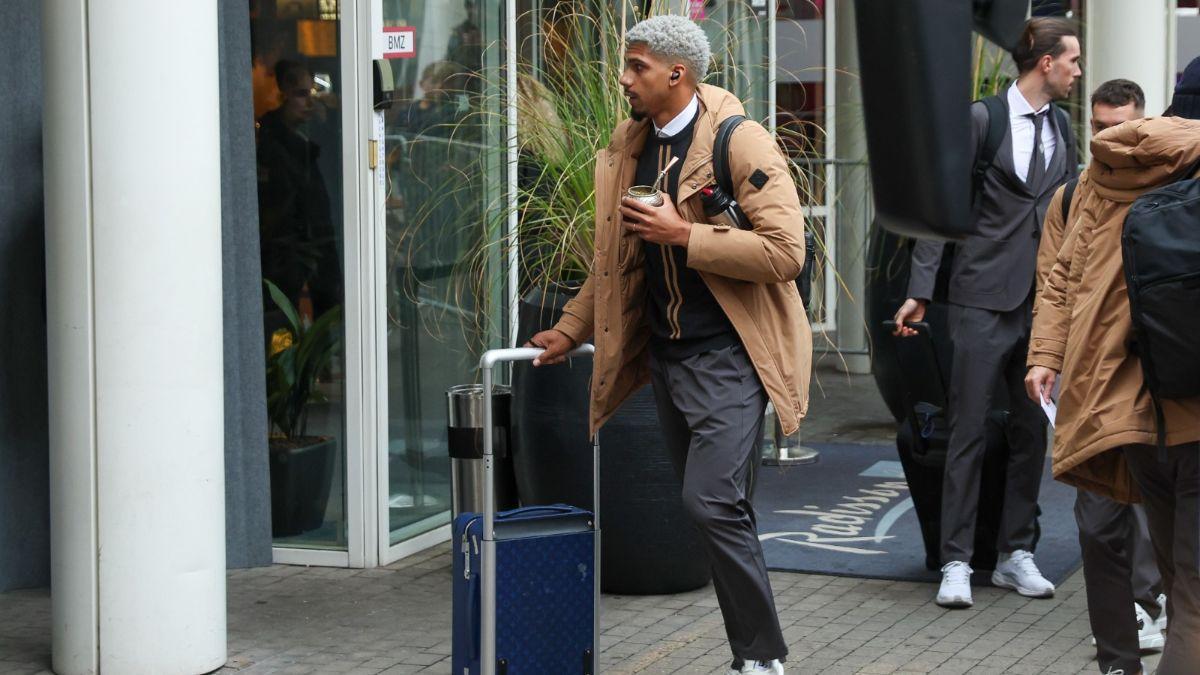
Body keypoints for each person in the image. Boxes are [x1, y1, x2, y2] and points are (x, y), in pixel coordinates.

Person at [526, 15, 811, 675]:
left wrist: (684, 235)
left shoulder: (741, 143)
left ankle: (765, 657)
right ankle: (751, 655)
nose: (623, 79)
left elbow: (786, 252)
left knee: (710, 500)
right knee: (716, 508)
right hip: (669, 358)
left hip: (732, 357)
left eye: (636, 67)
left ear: (676, 74)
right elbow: (612, 261)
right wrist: (571, 329)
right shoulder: (630, 144)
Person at [893, 17, 1081, 608]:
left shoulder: (1065, 126)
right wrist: (921, 290)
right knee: (968, 429)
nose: (1078, 69)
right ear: (1045, 62)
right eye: (1072, 59)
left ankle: (1015, 553)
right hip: (980, 297)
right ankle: (955, 559)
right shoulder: (982, 119)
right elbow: (941, 213)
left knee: (1030, 432)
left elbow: (1071, 209)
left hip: (1044, 302)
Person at [1026, 56, 1200, 675]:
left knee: (1175, 571)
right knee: (1192, 590)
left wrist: (1045, 355)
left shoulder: (1107, 173)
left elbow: (1060, 280)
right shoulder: (1095, 182)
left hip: (1122, 400)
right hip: (1185, 407)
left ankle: (1120, 659)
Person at [257, 59, 341, 317]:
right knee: (282, 312)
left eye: (312, 94)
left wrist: (326, 127)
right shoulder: (271, 137)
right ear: (283, 93)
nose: (309, 103)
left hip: (317, 233)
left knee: (329, 304)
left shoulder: (310, 132)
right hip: (289, 242)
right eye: (301, 95)